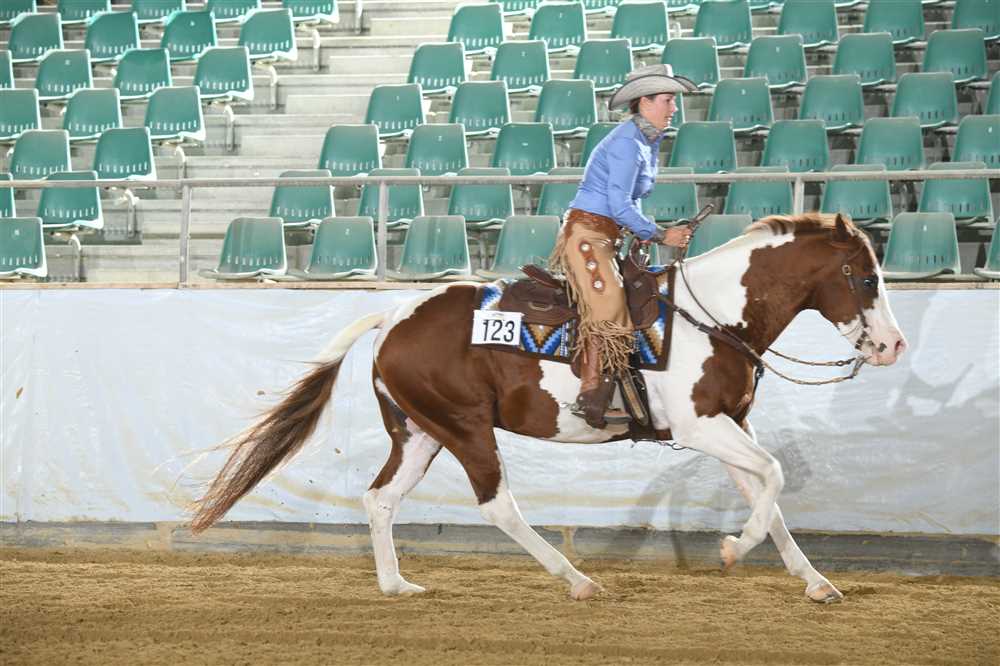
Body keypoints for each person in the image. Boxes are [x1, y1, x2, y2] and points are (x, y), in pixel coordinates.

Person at [550, 64, 697, 429]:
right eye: (667, 100)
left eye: (673, 100)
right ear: (644, 102)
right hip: (587, 234)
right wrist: (659, 234)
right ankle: (591, 396)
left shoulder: (644, 140)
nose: (674, 108)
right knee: (609, 303)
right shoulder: (627, 144)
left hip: (604, 234)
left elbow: (627, 202)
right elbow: (619, 205)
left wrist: (643, 232)